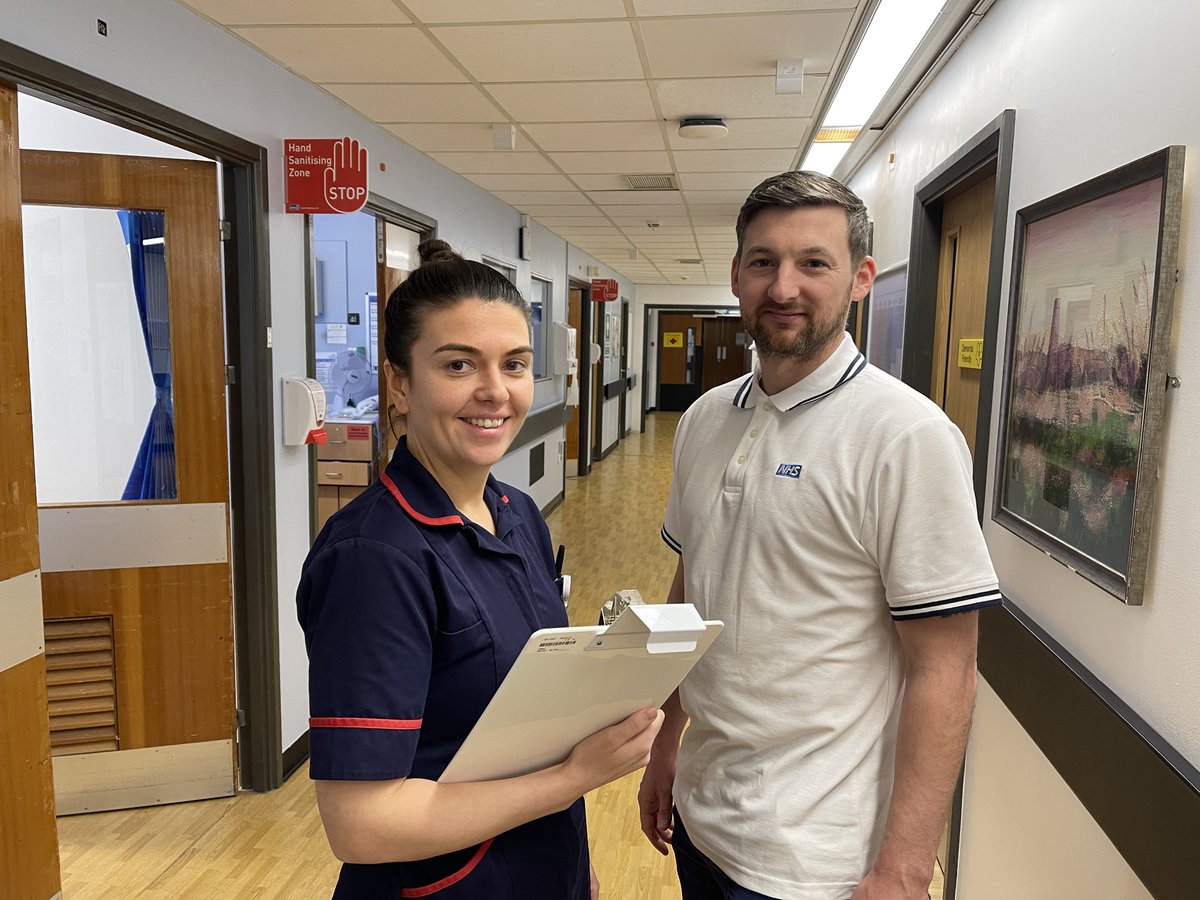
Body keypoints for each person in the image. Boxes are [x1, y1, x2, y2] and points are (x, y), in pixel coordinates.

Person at [638, 172, 1001, 900]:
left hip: (817, 859)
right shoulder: (706, 419)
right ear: (737, 274)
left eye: (814, 262)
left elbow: (946, 670)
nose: (783, 287)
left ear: (860, 278)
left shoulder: (908, 435)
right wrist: (666, 736)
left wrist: (903, 868)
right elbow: (694, 589)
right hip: (704, 821)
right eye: (764, 262)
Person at [297, 239, 663, 899]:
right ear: (399, 383)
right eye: (459, 364)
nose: (494, 391)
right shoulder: (375, 558)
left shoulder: (515, 512)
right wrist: (576, 778)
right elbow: (362, 826)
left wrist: (577, 870)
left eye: (514, 364)